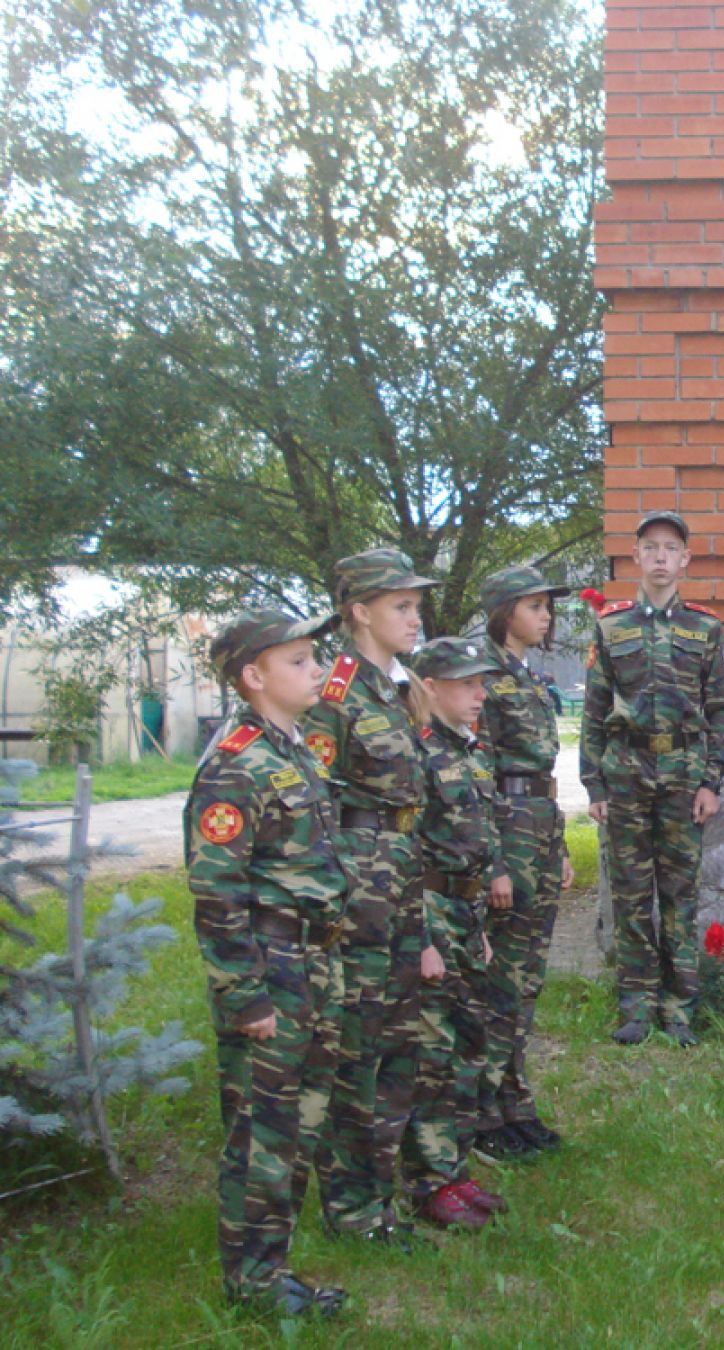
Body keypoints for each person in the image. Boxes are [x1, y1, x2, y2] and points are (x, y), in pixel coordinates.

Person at [185, 608, 349, 1318]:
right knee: (261, 1130)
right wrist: (244, 995)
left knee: (300, 1121)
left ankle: (273, 1268)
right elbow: (216, 890)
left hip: (314, 959)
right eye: (299, 661)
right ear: (253, 676)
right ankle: (252, 1282)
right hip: (270, 965)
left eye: (316, 657)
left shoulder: (294, 751)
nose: (318, 671)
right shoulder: (235, 764)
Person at [301, 548, 436, 1243]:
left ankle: (382, 1190)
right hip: (359, 890)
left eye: (416, 606)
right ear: (359, 611)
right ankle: (352, 1208)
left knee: (398, 1040)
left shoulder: (393, 690)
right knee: (357, 1043)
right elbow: (312, 805)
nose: (415, 618)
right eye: (401, 606)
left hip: (401, 880)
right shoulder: (334, 695)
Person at [580, 512, 724, 1047]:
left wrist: (711, 781)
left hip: (683, 775)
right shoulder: (611, 627)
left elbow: (720, 710)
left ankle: (679, 1008)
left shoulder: (705, 628)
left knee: (679, 894)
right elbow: (594, 710)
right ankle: (636, 1006)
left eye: (671, 548)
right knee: (629, 894)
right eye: (651, 547)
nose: (661, 557)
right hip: (626, 771)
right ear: (636, 556)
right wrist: (594, 786)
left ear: (685, 559)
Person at [401, 636, 509, 1227]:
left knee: (469, 1044)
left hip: (466, 914)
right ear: (430, 687)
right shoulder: (415, 753)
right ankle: (427, 1180)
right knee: (433, 1052)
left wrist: (480, 924)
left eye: (481, 683)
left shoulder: (470, 750)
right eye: (467, 684)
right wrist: (420, 938)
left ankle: (454, 1166)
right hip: (432, 909)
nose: (480, 694)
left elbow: (479, 839)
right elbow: (403, 851)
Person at [473, 564, 573, 1159]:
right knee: (502, 978)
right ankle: (482, 1112)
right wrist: (492, 863)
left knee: (528, 975)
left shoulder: (527, 675)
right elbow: (476, 774)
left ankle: (514, 1101)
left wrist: (558, 848)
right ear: (504, 610)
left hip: (537, 826)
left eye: (546, 606)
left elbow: (542, 775)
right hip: (506, 831)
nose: (546, 616)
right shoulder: (481, 676)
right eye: (534, 606)